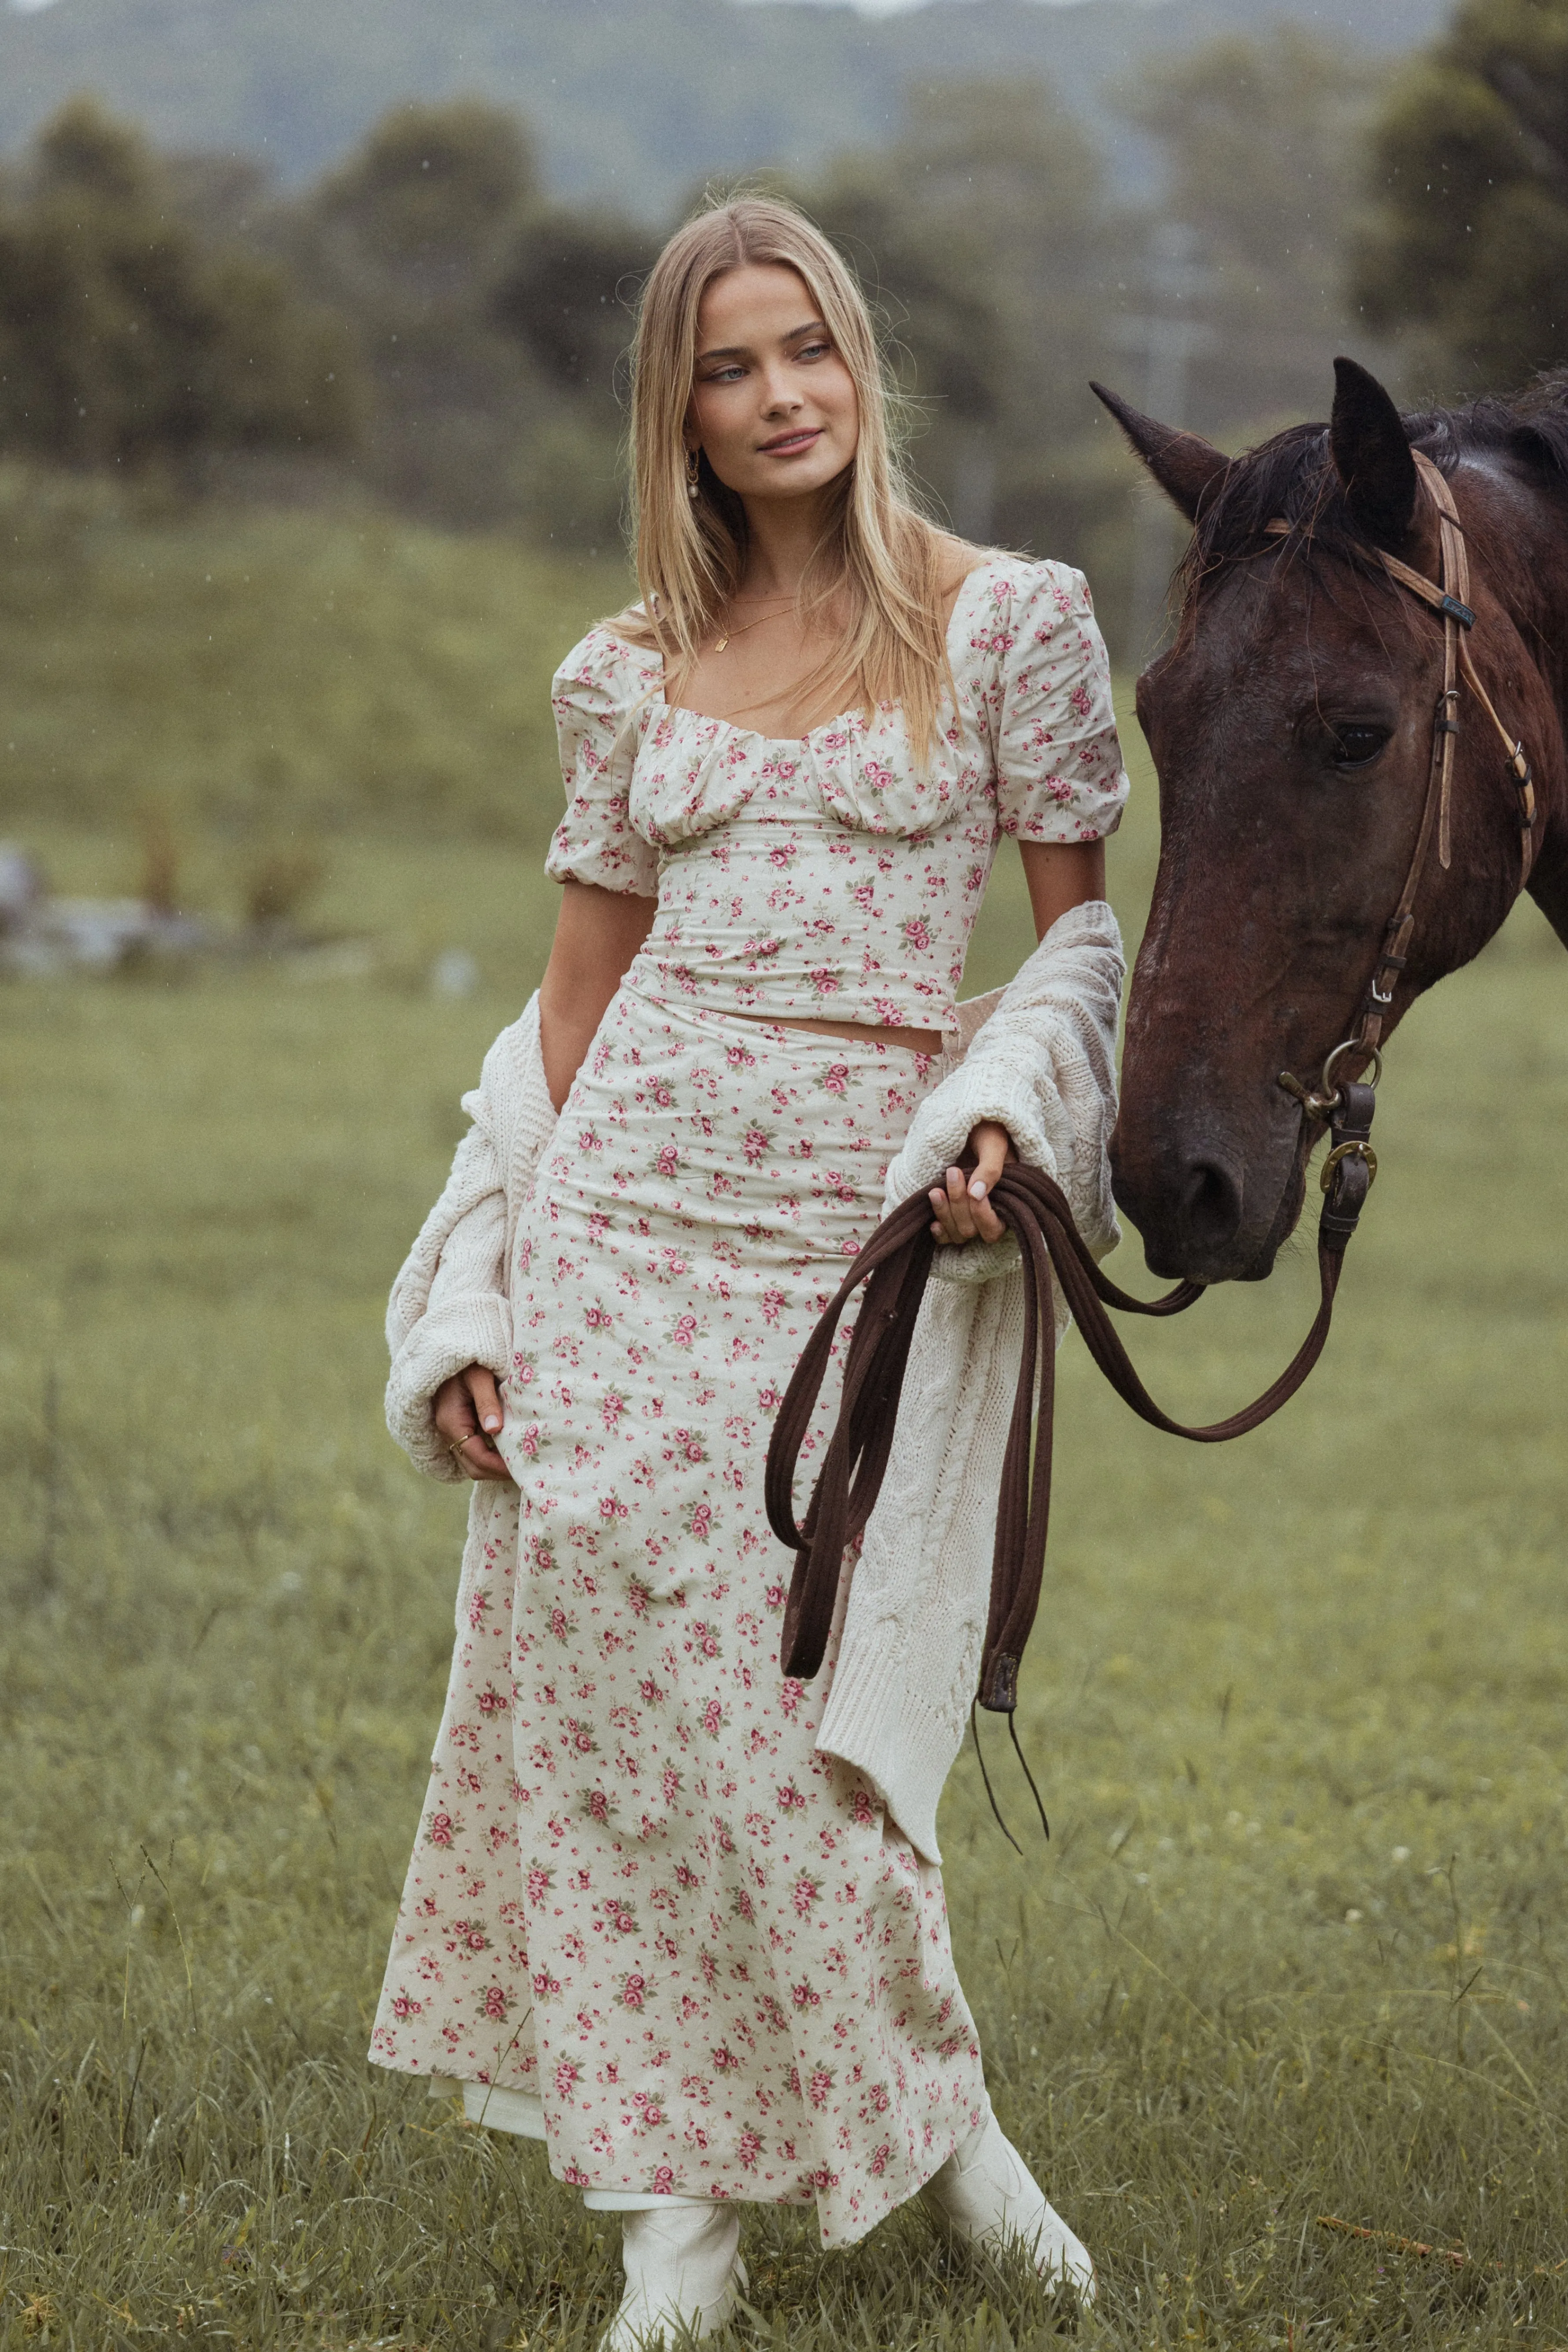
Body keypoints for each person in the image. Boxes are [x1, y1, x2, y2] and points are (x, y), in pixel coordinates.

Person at [372, 196, 1128, 2348]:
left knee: (807, 1738)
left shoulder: (1017, 623)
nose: (781, 395)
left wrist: (999, 1114)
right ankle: (671, 2227)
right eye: (730, 367)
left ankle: (944, 2126)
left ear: (862, 359)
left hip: (850, 1243)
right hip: (621, 1228)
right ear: (677, 413)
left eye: (808, 349)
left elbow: (1077, 941)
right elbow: (569, 1010)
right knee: (606, 1729)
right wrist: (479, 1278)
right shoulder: (621, 674)